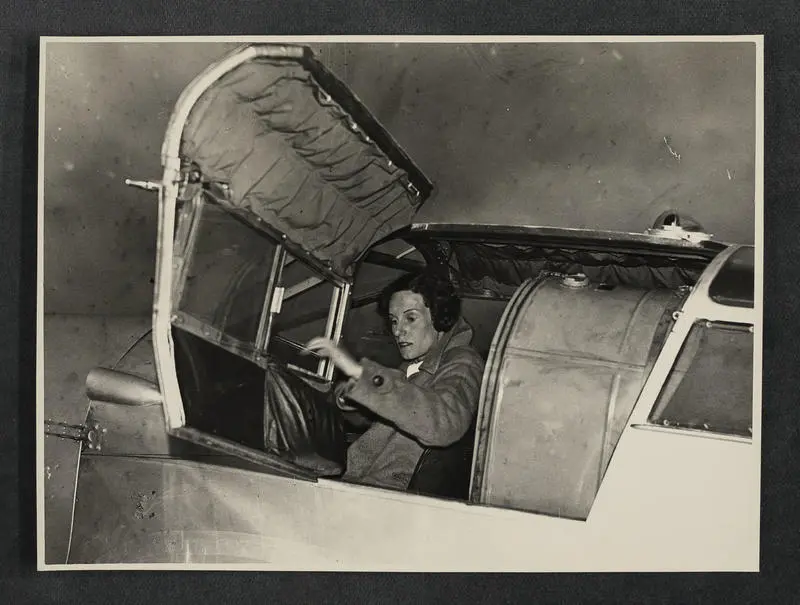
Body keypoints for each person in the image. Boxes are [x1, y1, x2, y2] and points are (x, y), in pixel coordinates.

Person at [304, 268, 485, 491]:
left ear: (438, 318)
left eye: (410, 318)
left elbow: (444, 423)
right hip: (362, 484)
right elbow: (388, 417)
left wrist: (360, 372)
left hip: (392, 496)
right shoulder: (413, 367)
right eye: (394, 321)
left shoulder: (463, 361)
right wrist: (352, 400)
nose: (399, 331)